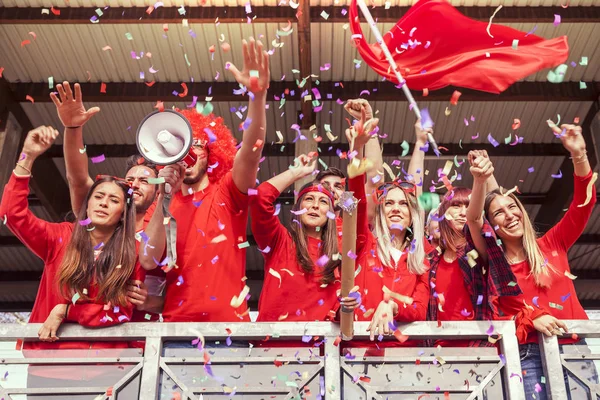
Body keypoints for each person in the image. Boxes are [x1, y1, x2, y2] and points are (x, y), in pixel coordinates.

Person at [0, 126, 143, 397]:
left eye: (113, 200)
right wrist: (28, 157)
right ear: (87, 205)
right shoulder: (60, 237)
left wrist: (65, 312)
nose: (103, 203)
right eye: (98, 197)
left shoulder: (133, 251)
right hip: (49, 367)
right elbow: (12, 214)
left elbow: (121, 311)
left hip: (110, 371)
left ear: (123, 213)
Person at [139, 37, 270, 324]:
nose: (188, 153)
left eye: (196, 145)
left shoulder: (227, 193)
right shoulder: (160, 206)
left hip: (229, 332)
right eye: (181, 148)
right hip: (174, 333)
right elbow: (149, 260)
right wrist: (165, 196)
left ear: (211, 154)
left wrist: (257, 98)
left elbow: (250, 151)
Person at [482, 123, 597, 400]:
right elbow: (496, 316)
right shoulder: (493, 269)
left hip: (573, 346)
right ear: (491, 226)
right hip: (527, 355)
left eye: (512, 207)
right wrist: (531, 318)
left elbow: (583, 204)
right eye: (499, 213)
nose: (509, 215)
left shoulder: (552, 245)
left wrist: (579, 155)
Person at [50, 81, 164, 321]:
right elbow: (77, 179)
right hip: (84, 333)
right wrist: (73, 129)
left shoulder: (163, 231)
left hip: (136, 345)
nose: (134, 183)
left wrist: (149, 301)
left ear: (157, 192)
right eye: (130, 178)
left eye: (145, 181)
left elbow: (174, 295)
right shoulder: (100, 219)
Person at [250, 154, 361, 322]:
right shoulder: (280, 241)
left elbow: (337, 318)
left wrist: (348, 305)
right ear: (298, 207)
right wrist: (295, 173)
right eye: (309, 199)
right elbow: (261, 198)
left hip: (318, 346)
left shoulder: (340, 254)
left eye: (323, 202)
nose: (315, 205)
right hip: (271, 345)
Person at [427, 150, 521, 347]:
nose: (463, 212)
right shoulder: (431, 260)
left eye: (468, 205)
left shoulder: (478, 250)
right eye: (456, 206)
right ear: (443, 214)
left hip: (479, 349)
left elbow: (477, 217)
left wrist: (480, 180)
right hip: (437, 354)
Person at [347, 122, 429, 344]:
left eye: (403, 204)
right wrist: (366, 137)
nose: (395, 208)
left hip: (405, 358)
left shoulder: (420, 258)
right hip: (358, 353)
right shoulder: (365, 244)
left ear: (413, 214)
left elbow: (420, 309)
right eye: (389, 203)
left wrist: (392, 305)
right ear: (379, 212)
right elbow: (368, 187)